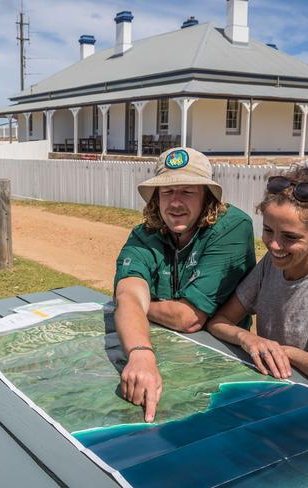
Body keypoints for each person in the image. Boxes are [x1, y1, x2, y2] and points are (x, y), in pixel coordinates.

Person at [114, 147, 256, 422]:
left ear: (207, 198)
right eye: (167, 192)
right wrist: (140, 354)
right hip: (159, 353)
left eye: (188, 192)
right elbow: (129, 292)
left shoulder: (232, 227)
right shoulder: (145, 234)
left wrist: (138, 306)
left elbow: (188, 318)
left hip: (223, 365)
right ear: (156, 198)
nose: (175, 203)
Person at [207, 164, 308, 400]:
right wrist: (249, 338)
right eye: (267, 230)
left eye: (290, 237)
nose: (274, 245)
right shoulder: (270, 267)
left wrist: (289, 354)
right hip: (276, 396)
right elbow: (220, 322)